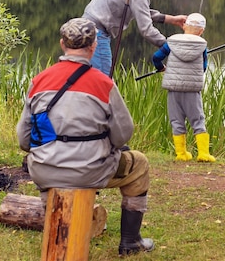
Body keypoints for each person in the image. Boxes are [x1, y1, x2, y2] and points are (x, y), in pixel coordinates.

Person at [16, 18, 154, 256]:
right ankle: (131, 242)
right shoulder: (103, 83)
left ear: (62, 44)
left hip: (45, 170)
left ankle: (59, 221)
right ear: (93, 46)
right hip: (90, 169)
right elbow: (123, 135)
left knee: (50, 166)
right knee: (139, 164)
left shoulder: (39, 81)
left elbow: (23, 139)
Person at [82, 0, 187, 76]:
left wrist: (172, 19)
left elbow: (142, 11)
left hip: (86, 27)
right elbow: (146, 30)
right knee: (103, 79)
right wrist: (169, 46)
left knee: (90, 76)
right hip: (97, 33)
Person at [152, 12, 216, 162]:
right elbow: (204, 67)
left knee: (176, 120)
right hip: (192, 90)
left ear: (185, 26)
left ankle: (181, 154)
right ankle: (203, 154)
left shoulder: (171, 43)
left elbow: (156, 57)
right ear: (201, 31)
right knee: (198, 120)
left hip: (173, 88)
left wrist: (161, 68)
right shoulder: (202, 46)